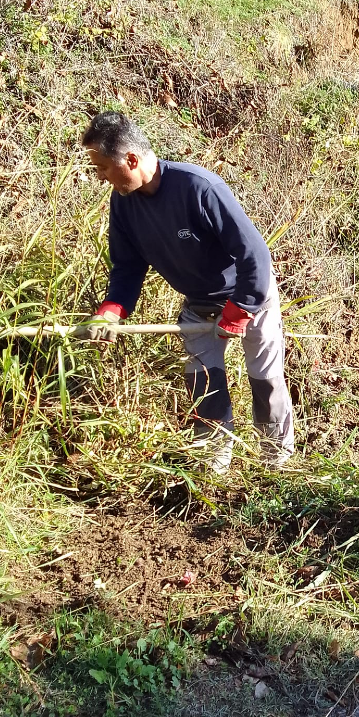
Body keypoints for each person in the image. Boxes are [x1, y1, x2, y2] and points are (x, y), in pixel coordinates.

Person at [79, 111, 294, 474]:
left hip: (248, 296)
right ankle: (214, 469)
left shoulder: (198, 187)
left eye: (101, 167)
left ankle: (276, 464)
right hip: (199, 305)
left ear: (130, 160)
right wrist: (112, 311)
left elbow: (255, 255)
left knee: (265, 378)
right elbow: (127, 267)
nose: (99, 176)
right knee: (203, 381)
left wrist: (240, 310)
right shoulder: (124, 202)